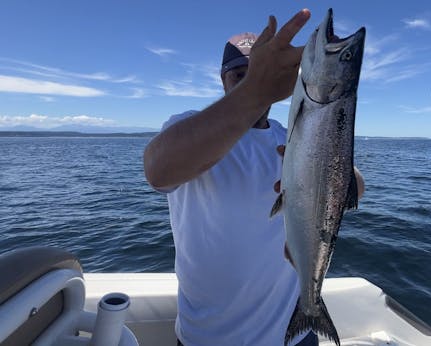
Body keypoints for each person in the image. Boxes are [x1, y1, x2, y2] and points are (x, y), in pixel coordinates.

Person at [144, 9, 364, 346]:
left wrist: (325, 168)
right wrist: (258, 91)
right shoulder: (187, 127)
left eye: (259, 73)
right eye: (240, 75)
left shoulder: (287, 138)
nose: (251, 81)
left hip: (297, 336)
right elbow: (158, 170)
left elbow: (354, 188)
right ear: (222, 79)